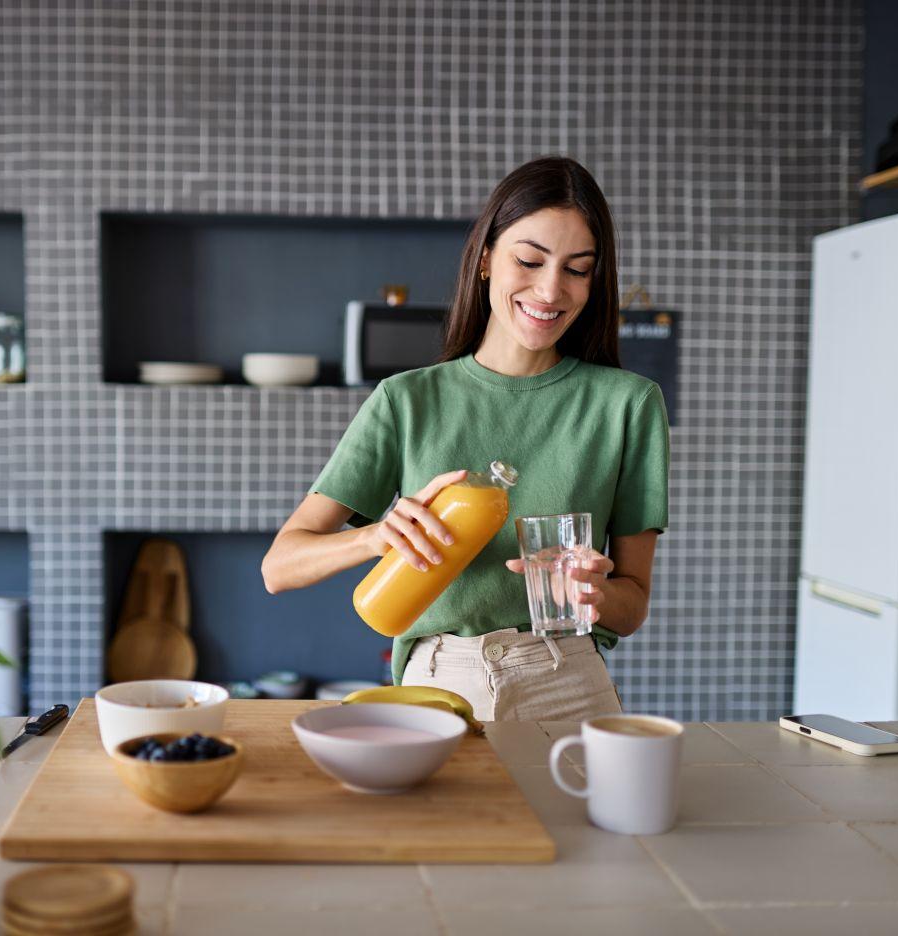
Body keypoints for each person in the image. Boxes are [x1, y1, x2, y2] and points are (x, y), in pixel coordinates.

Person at [261, 155, 669, 722]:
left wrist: (598, 595)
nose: (551, 290)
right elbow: (279, 568)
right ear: (484, 261)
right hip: (439, 683)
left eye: (577, 269)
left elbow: (632, 607)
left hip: (570, 682)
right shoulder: (406, 401)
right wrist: (378, 536)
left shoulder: (628, 405)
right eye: (529, 260)